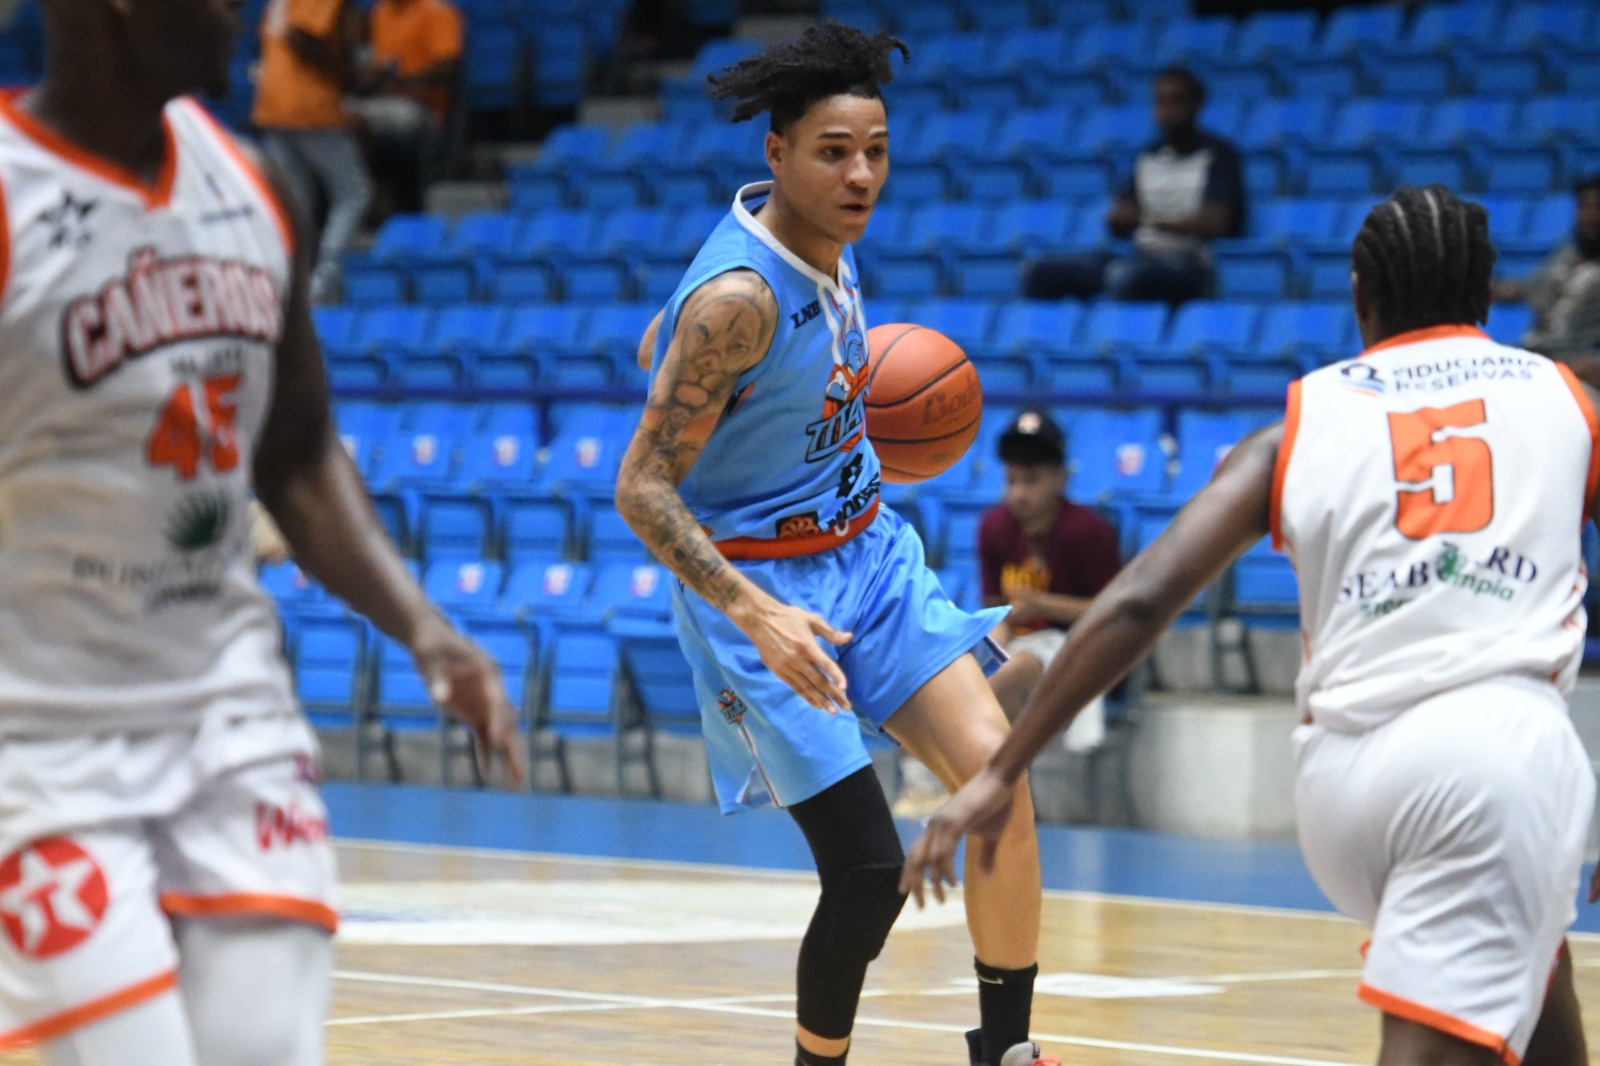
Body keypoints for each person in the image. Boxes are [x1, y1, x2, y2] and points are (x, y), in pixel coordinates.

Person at [905, 184, 1597, 1066]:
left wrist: (1002, 769)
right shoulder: (1568, 400)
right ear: (1489, 292)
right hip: (1489, 762)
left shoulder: (1297, 424)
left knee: (1539, 985)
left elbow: (1140, 598)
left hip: (1343, 784)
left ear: (1359, 297)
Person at [0, 0, 525, 1059]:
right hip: (36, 741)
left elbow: (297, 451)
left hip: (230, 723)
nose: (242, 11)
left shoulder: (257, 186)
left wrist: (425, 629)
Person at [614, 23, 1055, 1066]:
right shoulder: (738, 300)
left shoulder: (824, 240)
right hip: (764, 590)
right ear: (777, 155)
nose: (860, 175)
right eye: (833, 153)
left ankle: (1007, 1052)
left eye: (875, 152)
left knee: (997, 782)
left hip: (869, 552)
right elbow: (639, 487)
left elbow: (653, 345)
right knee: (866, 873)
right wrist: (757, 614)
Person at [1023, 66, 1244, 305]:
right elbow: (1123, 217)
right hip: (1141, 257)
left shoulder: (1219, 156)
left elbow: (1214, 223)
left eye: (1176, 102)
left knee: (1124, 277)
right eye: (1160, 102)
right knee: (1041, 274)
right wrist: (1118, 220)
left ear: (1196, 105)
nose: (1166, 112)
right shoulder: (1147, 156)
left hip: (1189, 266)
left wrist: (1146, 219)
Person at [980, 408, 1122, 742]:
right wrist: (994, 640)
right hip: (1018, 643)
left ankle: (992, 771)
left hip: (1077, 648)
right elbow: (994, 606)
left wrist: (1043, 605)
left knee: (1009, 674)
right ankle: (927, 775)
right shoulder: (994, 527)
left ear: (1061, 478)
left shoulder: (1087, 532)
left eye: (1031, 480)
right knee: (940, 678)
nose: (1018, 493)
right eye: (1011, 480)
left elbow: (1116, 613)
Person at [253, 0, 372, 301]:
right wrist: (348, 71)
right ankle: (323, 281)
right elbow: (301, 36)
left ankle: (291, 284)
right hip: (307, 103)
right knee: (354, 192)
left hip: (274, 101)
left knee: (297, 200)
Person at [345, 0, 463, 216]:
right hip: (382, 101)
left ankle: (368, 197)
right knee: (338, 114)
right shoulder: (381, 11)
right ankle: (364, 195)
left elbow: (449, 67)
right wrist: (371, 78)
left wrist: (403, 83)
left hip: (421, 107)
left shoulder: (437, 11)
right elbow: (377, 64)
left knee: (357, 121)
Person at [1495, 175, 1600, 358]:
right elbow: (1528, 288)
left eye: (1597, 207)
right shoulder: (1566, 254)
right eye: (1583, 207)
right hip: (1537, 354)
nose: (1588, 216)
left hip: (1580, 361)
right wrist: (1487, 290)